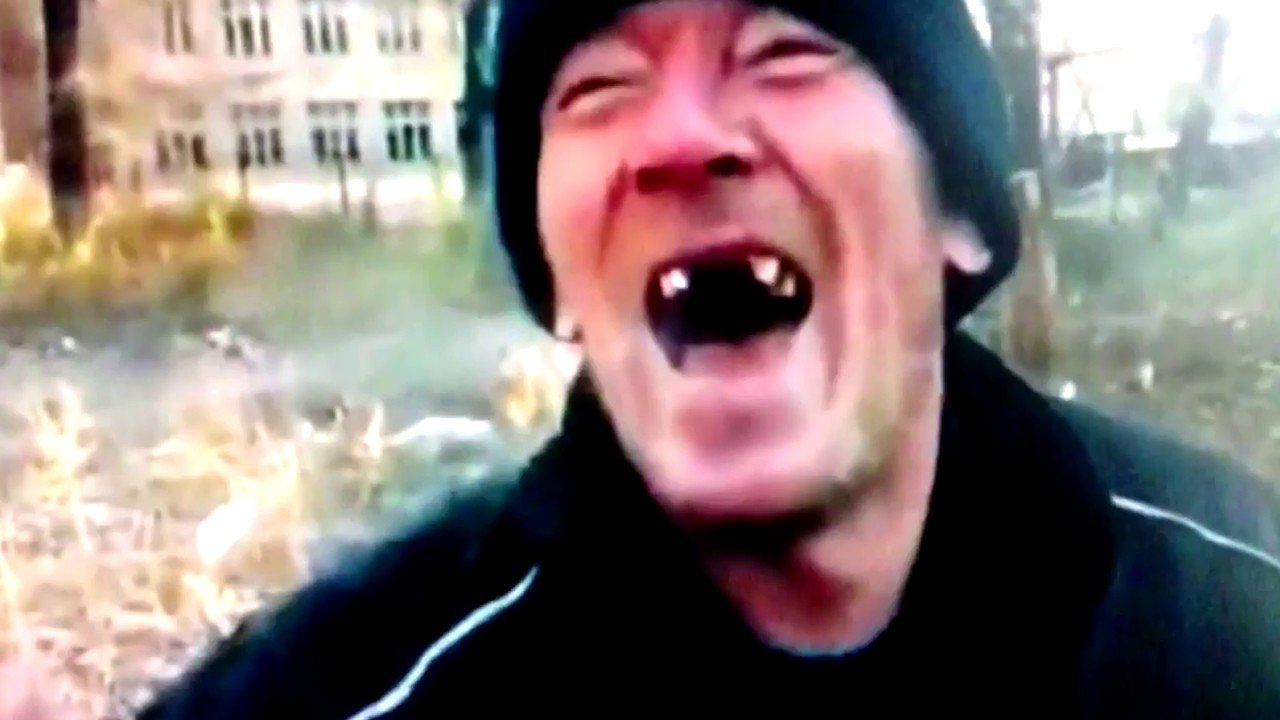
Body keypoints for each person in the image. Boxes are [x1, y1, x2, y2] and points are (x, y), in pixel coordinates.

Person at [130, 0, 1280, 717]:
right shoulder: (360, 693)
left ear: (960, 217)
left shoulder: (1230, 605)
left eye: (783, 53)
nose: (678, 138)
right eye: (598, 88)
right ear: (557, 284)